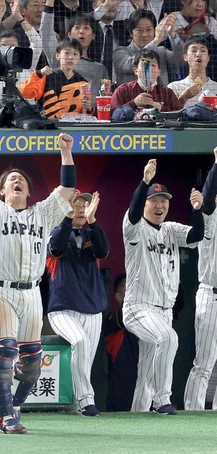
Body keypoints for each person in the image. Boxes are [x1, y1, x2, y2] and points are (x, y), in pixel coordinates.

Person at [0, 127, 76, 434]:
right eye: (11, 180)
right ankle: (4, 417)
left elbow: (67, 188)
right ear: (2, 191)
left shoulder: (41, 214)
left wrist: (66, 152)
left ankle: (11, 406)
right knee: (4, 356)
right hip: (1, 290)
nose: (17, 181)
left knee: (31, 368)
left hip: (32, 294)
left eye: (23, 181)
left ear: (29, 192)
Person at [122, 158, 205, 414]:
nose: (160, 205)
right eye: (154, 200)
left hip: (163, 311)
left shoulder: (169, 229)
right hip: (139, 307)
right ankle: (162, 400)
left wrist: (197, 209)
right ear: (145, 203)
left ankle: (138, 415)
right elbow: (134, 212)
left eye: (164, 201)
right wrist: (145, 181)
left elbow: (196, 235)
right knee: (168, 338)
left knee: (146, 374)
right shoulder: (133, 228)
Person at [46, 191, 110, 417]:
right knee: (80, 342)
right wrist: (66, 217)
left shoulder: (91, 232)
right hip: (62, 309)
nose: (81, 208)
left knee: (86, 362)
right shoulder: (54, 231)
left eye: (84, 204)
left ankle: (77, 403)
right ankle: (86, 401)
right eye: (76, 204)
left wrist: (92, 221)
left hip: (92, 309)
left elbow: (103, 250)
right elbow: (57, 248)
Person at [184, 147, 217, 411]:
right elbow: (207, 196)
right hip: (210, 293)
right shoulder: (208, 216)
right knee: (203, 362)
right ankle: (193, 414)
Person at [19, 37, 94, 119]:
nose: (70, 57)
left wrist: (89, 109)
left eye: (75, 54)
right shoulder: (45, 77)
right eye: (67, 53)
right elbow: (24, 93)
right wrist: (38, 74)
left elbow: (85, 113)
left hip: (73, 127)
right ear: (58, 55)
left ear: (79, 57)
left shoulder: (83, 83)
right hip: (48, 126)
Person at [112, 9, 183, 86]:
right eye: (139, 30)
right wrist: (155, 41)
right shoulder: (120, 52)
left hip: (160, 96)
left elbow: (180, 61)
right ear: (131, 33)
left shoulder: (161, 51)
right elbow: (132, 64)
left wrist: (172, 35)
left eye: (149, 30)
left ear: (154, 30)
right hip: (132, 97)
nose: (145, 34)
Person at [110, 49, 182, 120]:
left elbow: (178, 116)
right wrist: (133, 103)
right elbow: (114, 116)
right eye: (144, 64)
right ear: (135, 71)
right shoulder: (123, 90)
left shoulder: (167, 93)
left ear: (159, 72)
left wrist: (160, 108)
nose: (149, 68)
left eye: (153, 65)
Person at [104, 273, 139, 412]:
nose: (132, 288)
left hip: (145, 390)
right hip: (120, 394)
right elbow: (126, 317)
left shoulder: (150, 320)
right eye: (126, 286)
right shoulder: (112, 320)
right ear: (118, 296)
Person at [168, 37, 217, 107]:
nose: (198, 54)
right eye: (194, 51)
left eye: (203, 51)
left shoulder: (215, 87)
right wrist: (184, 97)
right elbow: (168, 115)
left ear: (208, 58)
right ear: (185, 57)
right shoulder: (173, 87)